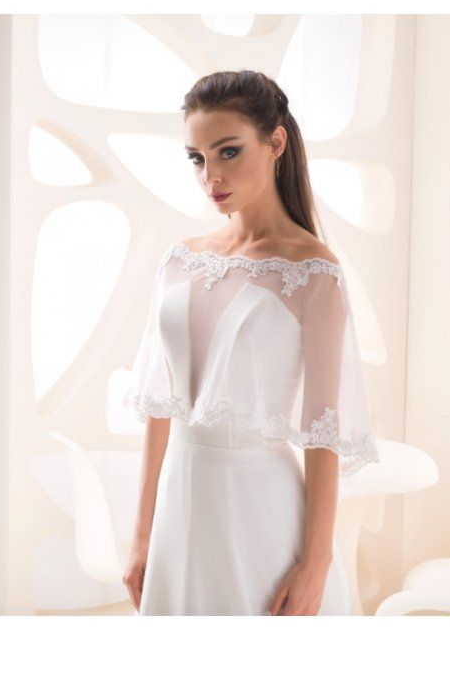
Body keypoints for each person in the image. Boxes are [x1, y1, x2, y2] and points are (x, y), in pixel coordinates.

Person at [121, 70, 378, 615]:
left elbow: (323, 433)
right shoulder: (179, 260)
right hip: (179, 511)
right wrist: (142, 536)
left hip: (263, 514)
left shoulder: (313, 273)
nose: (210, 175)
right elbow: (160, 410)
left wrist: (316, 564)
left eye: (228, 151)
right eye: (197, 158)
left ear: (275, 143)